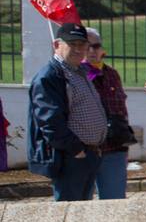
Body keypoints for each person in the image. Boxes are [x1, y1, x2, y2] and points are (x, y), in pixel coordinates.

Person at [28, 24, 106, 201]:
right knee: (70, 213)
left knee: (82, 214)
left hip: (88, 155)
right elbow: (50, 121)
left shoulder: (79, 72)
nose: (79, 49)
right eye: (72, 44)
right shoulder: (50, 76)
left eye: (82, 44)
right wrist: (76, 150)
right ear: (57, 45)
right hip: (71, 158)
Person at [82, 28, 134, 200]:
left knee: (114, 200)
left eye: (95, 46)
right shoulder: (76, 74)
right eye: (86, 46)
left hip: (113, 148)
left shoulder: (111, 73)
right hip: (86, 149)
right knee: (80, 202)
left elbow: (121, 109)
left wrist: (125, 142)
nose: (91, 51)